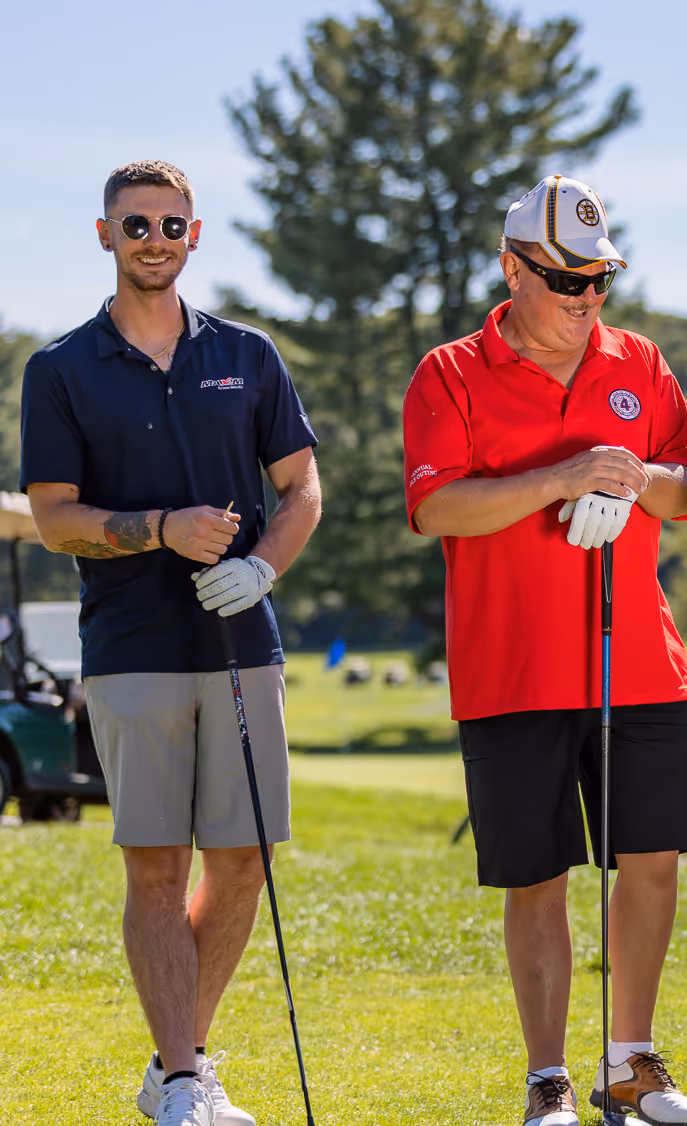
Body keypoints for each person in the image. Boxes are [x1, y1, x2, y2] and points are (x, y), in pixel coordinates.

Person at [402, 175, 687, 1126]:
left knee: (649, 860)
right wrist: (562, 479)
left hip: (641, 663)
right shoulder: (450, 373)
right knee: (538, 877)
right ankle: (549, 1081)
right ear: (512, 268)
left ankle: (631, 1061)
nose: (585, 301)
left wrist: (635, 481)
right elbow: (437, 506)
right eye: (564, 279)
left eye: (599, 281)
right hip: (513, 673)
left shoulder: (640, 361)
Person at [20, 160, 322, 1126]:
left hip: (243, 643)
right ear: (105, 235)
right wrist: (159, 527)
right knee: (157, 863)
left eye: (172, 225)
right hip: (133, 647)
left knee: (242, 860)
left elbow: (302, 491)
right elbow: (54, 516)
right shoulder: (60, 368)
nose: (156, 239)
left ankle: (173, 1065)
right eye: (137, 224)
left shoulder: (250, 354)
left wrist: (264, 568)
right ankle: (188, 1079)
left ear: (196, 236)